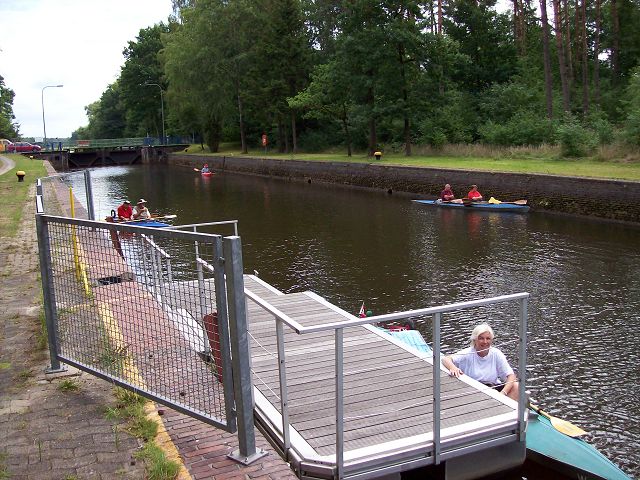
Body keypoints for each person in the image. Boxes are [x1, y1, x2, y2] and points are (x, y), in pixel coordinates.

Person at [441, 323, 519, 401]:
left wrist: (503, 393)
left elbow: (511, 376)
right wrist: (453, 368)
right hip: (475, 391)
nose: (485, 342)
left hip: (493, 388)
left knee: (516, 386)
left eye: (488, 338)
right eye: (481, 338)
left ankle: (514, 410)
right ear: (475, 340)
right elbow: (446, 359)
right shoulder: (468, 353)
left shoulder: (496, 353)